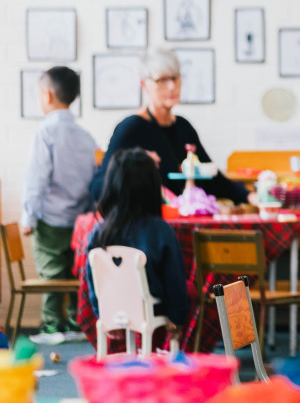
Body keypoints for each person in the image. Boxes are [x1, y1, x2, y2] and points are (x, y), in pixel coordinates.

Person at [88, 49, 253, 205]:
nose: (172, 86)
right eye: (162, 80)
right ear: (144, 85)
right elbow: (98, 188)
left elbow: (212, 179)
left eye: (175, 78)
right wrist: (133, 165)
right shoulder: (131, 128)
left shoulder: (183, 127)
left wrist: (249, 196)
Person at [20, 66, 98, 345]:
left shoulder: (45, 133)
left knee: (52, 274)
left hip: (50, 219)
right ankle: (77, 323)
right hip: (80, 221)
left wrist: (28, 216)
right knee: (75, 273)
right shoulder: (86, 137)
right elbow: (94, 180)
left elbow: (36, 178)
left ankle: (53, 326)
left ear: (47, 95)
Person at [85, 148, 189, 347]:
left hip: (113, 311)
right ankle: (163, 348)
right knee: (189, 291)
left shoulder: (98, 232)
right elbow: (174, 281)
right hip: (152, 309)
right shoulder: (160, 230)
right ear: (152, 186)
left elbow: (93, 282)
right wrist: (177, 319)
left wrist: (103, 313)